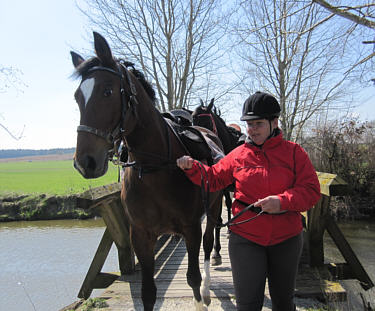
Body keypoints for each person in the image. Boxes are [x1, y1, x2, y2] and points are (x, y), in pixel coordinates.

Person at [176, 91, 321, 311]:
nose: (251, 130)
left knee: (283, 303)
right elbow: (213, 179)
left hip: (287, 239)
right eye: (248, 124)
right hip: (246, 239)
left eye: (258, 124)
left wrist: (282, 202)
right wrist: (192, 167)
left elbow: (311, 191)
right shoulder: (238, 155)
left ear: (274, 122)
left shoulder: (295, 153)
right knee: (247, 305)